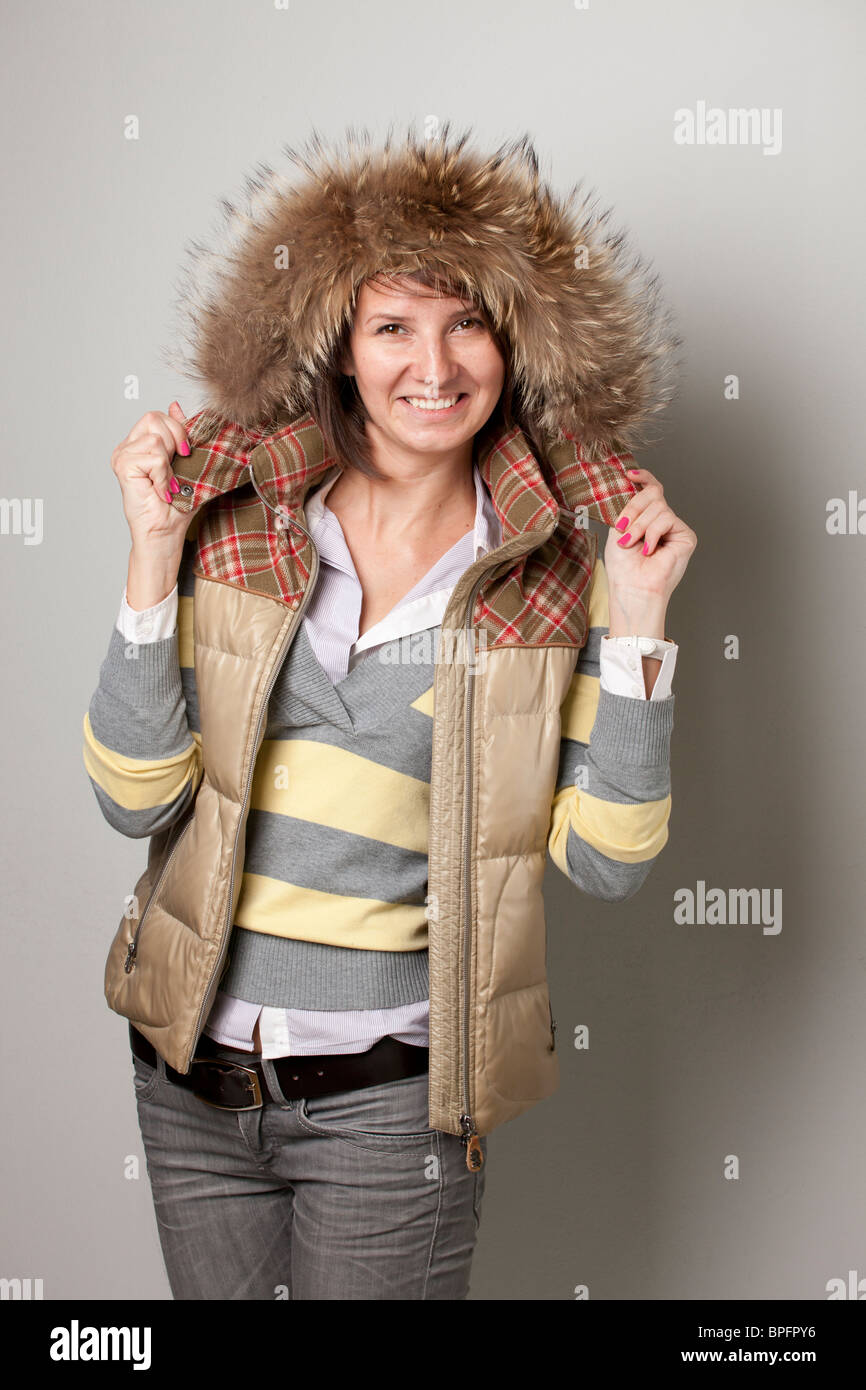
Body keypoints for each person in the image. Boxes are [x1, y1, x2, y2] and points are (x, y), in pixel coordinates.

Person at [82, 122, 697, 1300]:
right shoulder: (239, 519)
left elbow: (607, 860)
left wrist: (639, 627)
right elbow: (133, 793)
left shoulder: (553, 568)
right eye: (394, 326)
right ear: (339, 349)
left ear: (513, 346)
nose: (435, 363)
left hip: (387, 1104)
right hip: (188, 1089)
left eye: (467, 322)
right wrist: (153, 554)